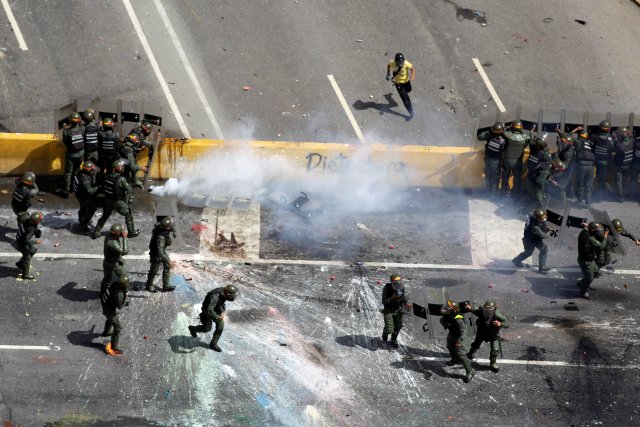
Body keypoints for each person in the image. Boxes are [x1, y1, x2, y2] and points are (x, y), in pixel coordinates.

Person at [93, 159, 140, 239]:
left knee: (104, 216)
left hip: (107, 201)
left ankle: (96, 232)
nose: (122, 167)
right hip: (118, 202)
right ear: (117, 168)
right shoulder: (121, 179)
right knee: (128, 214)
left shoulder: (107, 176)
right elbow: (129, 190)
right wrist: (126, 201)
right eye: (121, 166)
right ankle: (131, 232)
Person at [188, 285, 239, 352]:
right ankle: (193, 329)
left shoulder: (224, 292)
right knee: (207, 328)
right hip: (207, 312)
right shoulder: (215, 296)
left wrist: (221, 311)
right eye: (231, 295)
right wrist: (217, 317)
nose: (232, 296)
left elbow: (226, 299)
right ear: (227, 293)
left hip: (216, 309)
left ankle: (213, 344)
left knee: (220, 327)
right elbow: (210, 310)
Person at [466, 300, 510, 372]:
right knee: (475, 345)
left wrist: (500, 324)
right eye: (486, 309)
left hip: (492, 334)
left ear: (495, 308)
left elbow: (507, 323)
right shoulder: (481, 312)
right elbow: (474, 311)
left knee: (495, 350)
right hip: (481, 333)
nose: (488, 311)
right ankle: (470, 354)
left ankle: (493, 363)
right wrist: (470, 308)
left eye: (490, 309)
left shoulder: (497, 315)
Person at [512, 208, 557, 273]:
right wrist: (549, 231)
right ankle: (516, 260)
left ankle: (542, 267)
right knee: (528, 253)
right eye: (541, 220)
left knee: (544, 249)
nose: (543, 221)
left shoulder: (532, 218)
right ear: (537, 218)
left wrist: (546, 228)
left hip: (533, 238)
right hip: (530, 241)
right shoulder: (534, 227)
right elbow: (544, 236)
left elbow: (541, 226)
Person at [439, 301, 475, 383]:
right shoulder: (447, 315)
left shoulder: (458, 319)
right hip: (452, 334)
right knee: (450, 347)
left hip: (459, 336)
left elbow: (464, 332)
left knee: (461, 354)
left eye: (447, 309)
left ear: (453, 310)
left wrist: (459, 342)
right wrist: (445, 324)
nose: (444, 310)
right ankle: (455, 359)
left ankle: (470, 371)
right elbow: (442, 320)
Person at [576, 222, 608, 299]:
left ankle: (582, 283)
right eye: (597, 230)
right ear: (593, 231)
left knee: (596, 272)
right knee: (589, 278)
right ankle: (582, 292)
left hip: (586, 259)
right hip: (586, 261)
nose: (598, 231)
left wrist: (588, 226)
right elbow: (601, 246)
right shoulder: (590, 239)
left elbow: (588, 230)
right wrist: (605, 236)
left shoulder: (583, 232)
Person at [380, 274, 412, 349]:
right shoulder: (387, 288)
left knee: (397, 327)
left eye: (398, 281)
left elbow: (403, 296)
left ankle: (393, 340)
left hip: (398, 310)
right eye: (395, 282)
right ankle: (385, 333)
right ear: (391, 282)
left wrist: (406, 303)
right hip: (388, 311)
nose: (397, 283)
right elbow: (384, 302)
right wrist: (392, 298)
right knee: (389, 329)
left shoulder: (401, 287)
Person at [101, 274, 130, 356]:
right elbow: (120, 306)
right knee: (117, 328)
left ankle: (106, 332)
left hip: (105, 303)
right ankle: (114, 347)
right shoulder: (120, 294)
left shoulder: (115, 283)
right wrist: (125, 301)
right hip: (109, 308)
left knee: (110, 319)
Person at [501, 120, 531, 197]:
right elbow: (526, 144)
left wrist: (509, 127)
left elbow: (503, 131)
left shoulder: (508, 135)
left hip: (507, 160)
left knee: (505, 178)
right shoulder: (525, 138)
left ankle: (503, 194)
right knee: (517, 180)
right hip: (518, 162)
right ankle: (515, 196)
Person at [146, 217, 176, 293]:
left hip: (161, 251)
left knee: (167, 266)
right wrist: (169, 261)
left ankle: (166, 285)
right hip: (156, 254)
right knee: (154, 271)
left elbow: (169, 226)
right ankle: (149, 285)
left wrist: (173, 230)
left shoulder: (159, 225)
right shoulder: (160, 238)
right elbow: (160, 252)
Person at [477, 122, 506, 198]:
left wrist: (488, 131)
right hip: (496, 162)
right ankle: (493, 196)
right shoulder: (504, 140)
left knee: (488, 177)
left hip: (488, 160)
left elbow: (480, 137)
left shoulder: (489, 135)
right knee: (495, 180)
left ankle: (487, 193)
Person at [60, 112, 85, 198]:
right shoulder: (82, 129)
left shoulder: (66, 131)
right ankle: (75, 188)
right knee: (77, 170)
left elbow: (65, 142)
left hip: (71, 154)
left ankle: (67, 190)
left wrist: (65, 128)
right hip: (81, 153)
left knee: (68, 172)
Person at [100, 223, 128, 299]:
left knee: (123, 276)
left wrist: (121, 233)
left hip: (116, 262)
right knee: (107, 280)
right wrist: (125, 237)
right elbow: (125, 251)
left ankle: (122, 293)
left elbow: (117, 234)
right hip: (111, 265)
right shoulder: (113, 243)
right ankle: (102, 294)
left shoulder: (109, 234)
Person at [386, 53, 415, 120]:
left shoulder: (406, 63)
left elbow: (412, 68)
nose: (400, 63)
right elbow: (388, 66)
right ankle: (411, 112)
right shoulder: (392, 63)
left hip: (406, 81)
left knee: (409, 90)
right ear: (395, 61)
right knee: (405, 98)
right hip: (398, 83)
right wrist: (388, 73)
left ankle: (389, 96)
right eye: (399, 62)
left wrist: (412, 75)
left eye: (401, 62)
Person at [15, 211, 43, 280]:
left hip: (20, 239)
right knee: (27, 258)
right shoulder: (31, 229)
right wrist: (36, 241)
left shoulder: (27, 220)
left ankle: (21, 263)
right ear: (36, 222)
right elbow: (26, 240)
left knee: (33, 251)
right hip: (22, 244)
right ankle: (25, 275)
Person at [72, 161, 100, 232]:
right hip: (83, 196)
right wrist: (98, 187)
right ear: (88, 169)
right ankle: (84, 224)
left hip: (79, 194)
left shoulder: (80, 172)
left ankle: (81, 219)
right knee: (92, 207)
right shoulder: (85, 179)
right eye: (92, 168)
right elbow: (90, 191)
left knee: (83, 207)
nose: (93, 170)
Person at [591, 120, 614, 198]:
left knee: (597, 177)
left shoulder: (594, 136)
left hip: (596, 161)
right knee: (602, 178)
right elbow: (613, 149)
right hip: (606, 162)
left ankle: (597, 193)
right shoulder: (612, 138)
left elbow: (591, 146)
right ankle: (601, 194)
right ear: (609, 129)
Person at [574, 128, 595, 207]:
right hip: (591, 166)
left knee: (581, 184)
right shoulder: (590, 143)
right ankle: (588, 203)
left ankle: (580, 201)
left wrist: (575, 129)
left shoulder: (578, 142)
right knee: (589, 184)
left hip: (581, 166)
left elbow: (565, 138)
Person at [612, 127, 634, 203]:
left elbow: (614, 148)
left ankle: (620, 197)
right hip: (628, 165)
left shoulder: (619, 145)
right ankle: (625, 194)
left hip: (619, 166)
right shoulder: (631, 142)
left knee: (619, 182)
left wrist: (615, 138)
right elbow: (631, 137)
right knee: (624, 181)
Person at [98, 117, 119, 182]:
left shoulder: (101, 133)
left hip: (102, 155)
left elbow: (99, 144)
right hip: (111, 156)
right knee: (109, 169)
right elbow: (116, 146)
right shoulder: (116, 134)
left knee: (101, 169)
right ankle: (107, 181)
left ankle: (100, 181)